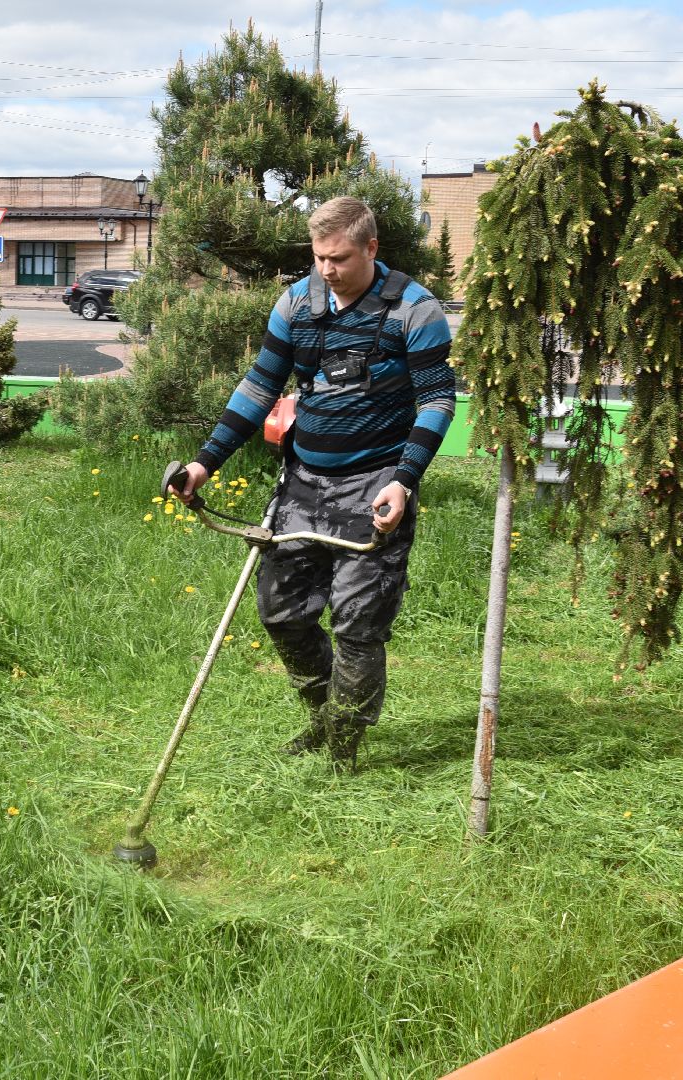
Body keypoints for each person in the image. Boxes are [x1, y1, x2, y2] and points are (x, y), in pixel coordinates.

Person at [171, 196, 455, 768]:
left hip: (376, 482)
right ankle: (325, 717)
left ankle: (344, 750)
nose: (326, 269)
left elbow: (437, 401)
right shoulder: (298, 303)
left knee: (357, 623)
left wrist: (404, 481)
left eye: (340, 257)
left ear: (371, 248)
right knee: (282, 613)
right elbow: (259, 388)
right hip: (302, 483)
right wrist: (205, 463)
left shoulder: (415, 311)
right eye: (319, 256)